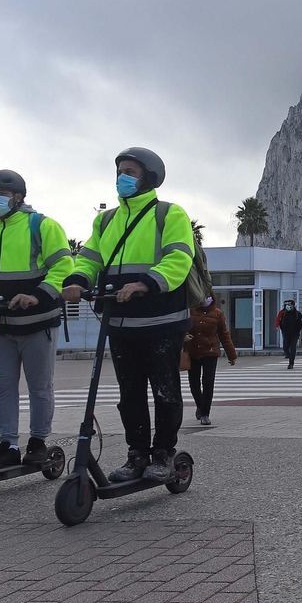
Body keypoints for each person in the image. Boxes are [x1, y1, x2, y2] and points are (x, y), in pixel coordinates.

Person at [62, 148, 196, 482]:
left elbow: (179, 258)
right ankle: (137, 455)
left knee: (165, 391)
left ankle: (163, 454)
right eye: (120, 171)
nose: (122, 177)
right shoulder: (106, 220)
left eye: (130, 171)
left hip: (162, 321)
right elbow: (90, 257)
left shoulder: (168, 215)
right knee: (129, 393)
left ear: (149, 177)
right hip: (120, 322)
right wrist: (78, 280)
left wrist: (147, 283)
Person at [0, 170, 73, 467]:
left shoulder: (41, 225)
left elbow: (64, 266)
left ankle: (38, 441)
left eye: (1, 195)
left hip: (38, 324)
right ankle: (8, 443)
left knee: (39, 386)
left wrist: (38, 294)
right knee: (3, 386)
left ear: (19, 197)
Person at [183, 294, 236, 426]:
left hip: (210, 352)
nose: (205, 299)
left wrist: (231, 355)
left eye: (208, 297)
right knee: (194, 383)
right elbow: (181, 327)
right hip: (193, 350)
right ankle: (200, 405)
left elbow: (224, 334)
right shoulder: (190, 311)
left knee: (208, 382)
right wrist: (184, 336)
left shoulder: (217, 313)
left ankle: (205, 413)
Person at [276, 298, 302, 369]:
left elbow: (301, 324)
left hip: (294, 334)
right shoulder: (284, 314)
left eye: (289, 305)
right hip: (286, 334)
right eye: (286, 305)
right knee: (285, 348)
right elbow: (280, 322)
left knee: (293, 348)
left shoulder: (298, 314)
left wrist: (297, 330)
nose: (287, 306)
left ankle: (291, 363)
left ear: (293, 306)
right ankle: (289, 355)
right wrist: (283, 330)